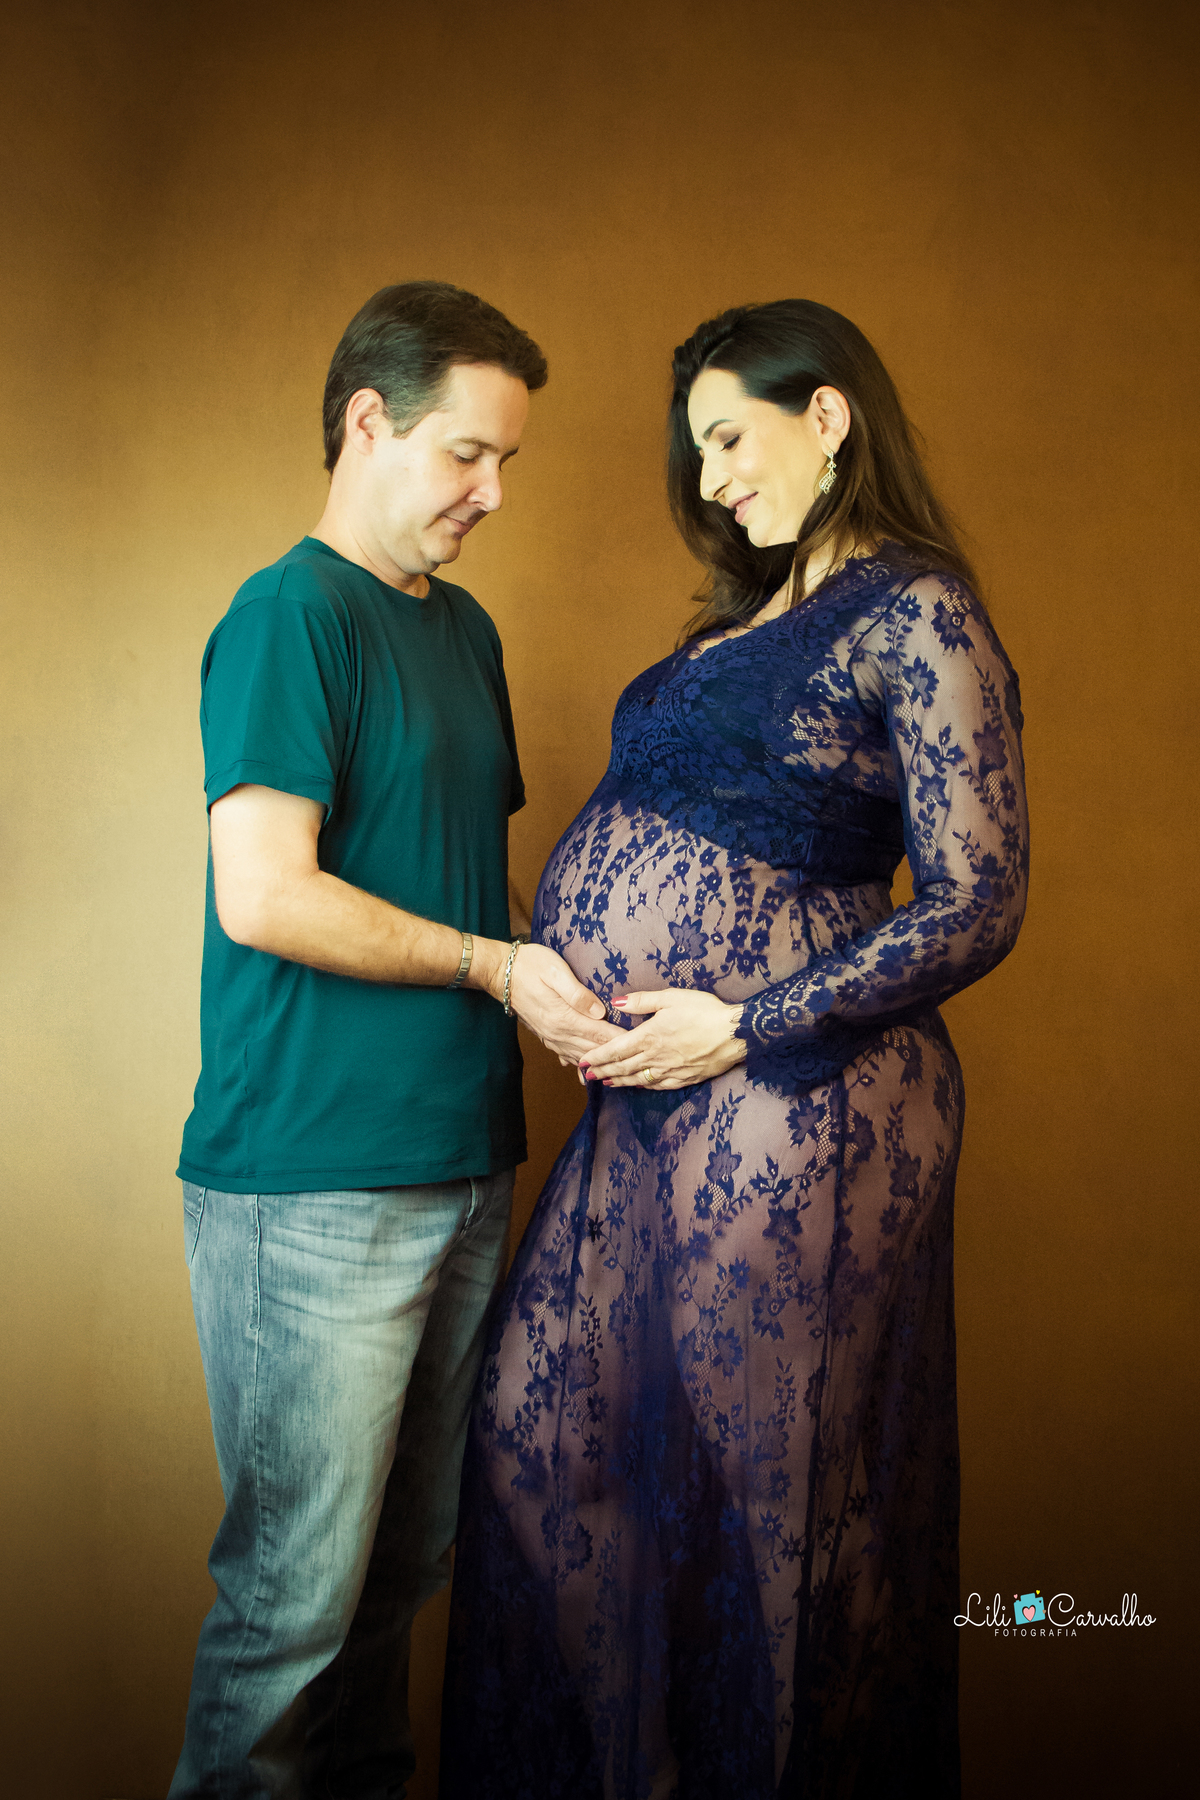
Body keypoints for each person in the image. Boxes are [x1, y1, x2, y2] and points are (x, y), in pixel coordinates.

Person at [440, 299, 1029, 1798]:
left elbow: (981, 899)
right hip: (651, 1107)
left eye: (728, 438)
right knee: (535, 1440)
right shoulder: (733, 629)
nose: (710, 482)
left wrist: (746, 1023)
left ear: (828, 417)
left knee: (776, 1525)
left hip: (799, 1102)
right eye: (694, 453)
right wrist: (546, 959)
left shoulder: (918, 609)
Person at [171, 281, 620, 1799]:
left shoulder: (470, 632)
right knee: (291, 1614)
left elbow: (446, 877)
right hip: (313, 1188)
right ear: (366, 422)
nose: (491, 495)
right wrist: (498, 967)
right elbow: (268, 896)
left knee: (393, 1591)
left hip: (462, 1167)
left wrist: (551, 974)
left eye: (508, 464)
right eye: (464, 456)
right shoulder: (289, 614)